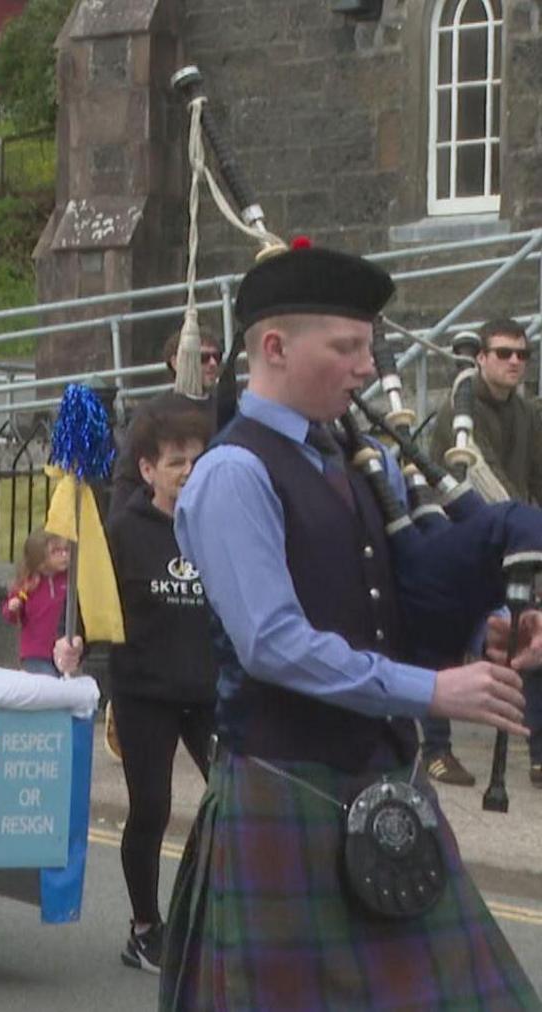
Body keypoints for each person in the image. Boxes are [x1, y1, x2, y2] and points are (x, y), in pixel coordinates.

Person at [163, 244, 538, 1007]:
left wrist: (482, 634)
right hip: (284, 795)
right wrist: (432, 690)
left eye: (368, 345)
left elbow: (380, 604)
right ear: (275, 347)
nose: (368, 366)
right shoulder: (234, 475)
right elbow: (273, 644)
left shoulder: (352, 458)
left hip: (382, 784)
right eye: (348, 347)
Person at [101, 406, 216, 972]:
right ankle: (145, 929)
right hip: (145, 691)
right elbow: (93, 610)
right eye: (176, 462)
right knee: (152, 809)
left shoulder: (221, 524)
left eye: (198, 460)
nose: (189, 471)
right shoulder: (123, 531)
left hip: (211, 691)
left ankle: (221, 919)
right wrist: (74, 652)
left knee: (240, 802)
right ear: (148, 469)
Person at [424, 317, 542, 788]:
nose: (515, 361)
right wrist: (528, 533)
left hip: (507, 536)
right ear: (480, 357)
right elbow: (482, 478)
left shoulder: (528, 412)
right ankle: (435, 749)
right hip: (456, 534)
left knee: (526, 636)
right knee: (445, 639)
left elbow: (536, 477)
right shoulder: (460, 408)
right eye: (503, 353)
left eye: (522, 354)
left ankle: (538, 754)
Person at [109, 334, 223, 510]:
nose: (213, 364)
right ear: (176, 362)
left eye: (217, 357)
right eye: (203, 358)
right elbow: (127, 476)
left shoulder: (225, 409)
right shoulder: (153, 412)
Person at [1, 530, 70, 675]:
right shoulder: (28, 584)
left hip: (63, 651)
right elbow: (12, 616)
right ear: (40, 558)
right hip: (35, 653)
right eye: (56, 551)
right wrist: (12, 608)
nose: (64, 555)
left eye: (66, 550)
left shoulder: (68, 581)